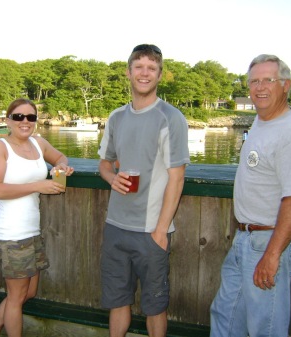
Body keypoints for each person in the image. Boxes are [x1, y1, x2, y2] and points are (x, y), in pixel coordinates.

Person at [210, 55, 291, 337]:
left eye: (268, 80)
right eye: (254, 81)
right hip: (246, 238)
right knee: (226, 316)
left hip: (270, 241)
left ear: (285, 85)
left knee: (265, 328)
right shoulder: (261, 122)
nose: (260, 87)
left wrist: (272, 255)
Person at [98, 44, 190, 337]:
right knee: (117, 301)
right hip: (115, 226)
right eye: (139, 66)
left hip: (152, 231)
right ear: (129, 72)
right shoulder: (116, 117)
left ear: (160, 75)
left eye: (151, 67)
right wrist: (112, 178)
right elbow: (104, 163)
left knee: (155, 307)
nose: (144, 73)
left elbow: (177, 178)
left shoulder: (171, 117)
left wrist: (161, 231)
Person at [0, 98, 74, 337]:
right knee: (16, 297)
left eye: (31, 117)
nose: (25, 122)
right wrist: (37, 185)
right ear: (8, 120)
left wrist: (60, 168)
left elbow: (61, 157)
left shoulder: (38, 143)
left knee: (28, 293)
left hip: (31, 232)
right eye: (19, 116)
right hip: (11, 234)